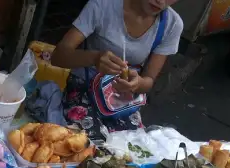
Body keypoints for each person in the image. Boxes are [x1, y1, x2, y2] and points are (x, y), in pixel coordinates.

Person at [50, 0, 183, 138]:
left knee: (131, 150)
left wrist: (137, 83)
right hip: (84, 89)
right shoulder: (103, 5)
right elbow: (58, 57)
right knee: (87, 144)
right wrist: (95, 58)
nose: (160, 1)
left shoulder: (171, 25)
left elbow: (148, 81)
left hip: (121, 102)